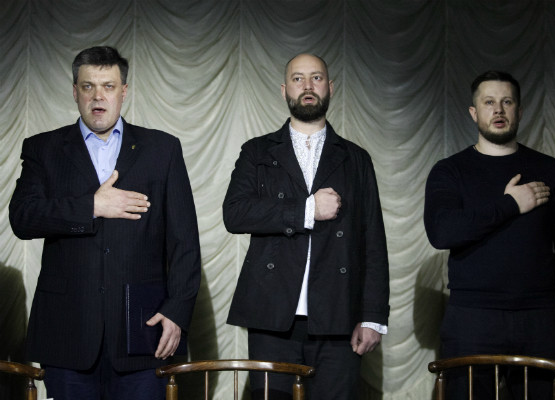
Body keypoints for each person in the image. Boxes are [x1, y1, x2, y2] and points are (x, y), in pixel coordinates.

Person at [9, 46, 202, 400]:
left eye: (108, 86)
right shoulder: (43, 148)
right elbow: (22, 218)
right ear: (75, 91)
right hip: (67, 334)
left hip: (143, 333)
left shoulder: (162, 149)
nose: (98, 96)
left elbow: (185, 243)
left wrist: (177, 312)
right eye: (88, 86)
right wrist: (92, 206)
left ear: (123, 91)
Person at [222, 53, 390, 399]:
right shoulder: (257, 151)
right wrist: (307, 209)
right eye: (298, 79)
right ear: (284, 89)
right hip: (272, 315)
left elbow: (372, 241)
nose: (308, 86)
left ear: (330, 87)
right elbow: (235, 214)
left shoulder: (356, 158)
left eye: (317, 78)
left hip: (338, 315)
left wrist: (373, 317)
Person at [424, 70, 555, 399]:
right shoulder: (450, 170)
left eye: (507, 102)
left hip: (539, 317)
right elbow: (442, 232)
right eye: (489, 102)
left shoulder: (550, 170)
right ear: (474, 113)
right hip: (471, 317)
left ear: (519, 111)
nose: (498, 110)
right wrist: (510, 204)